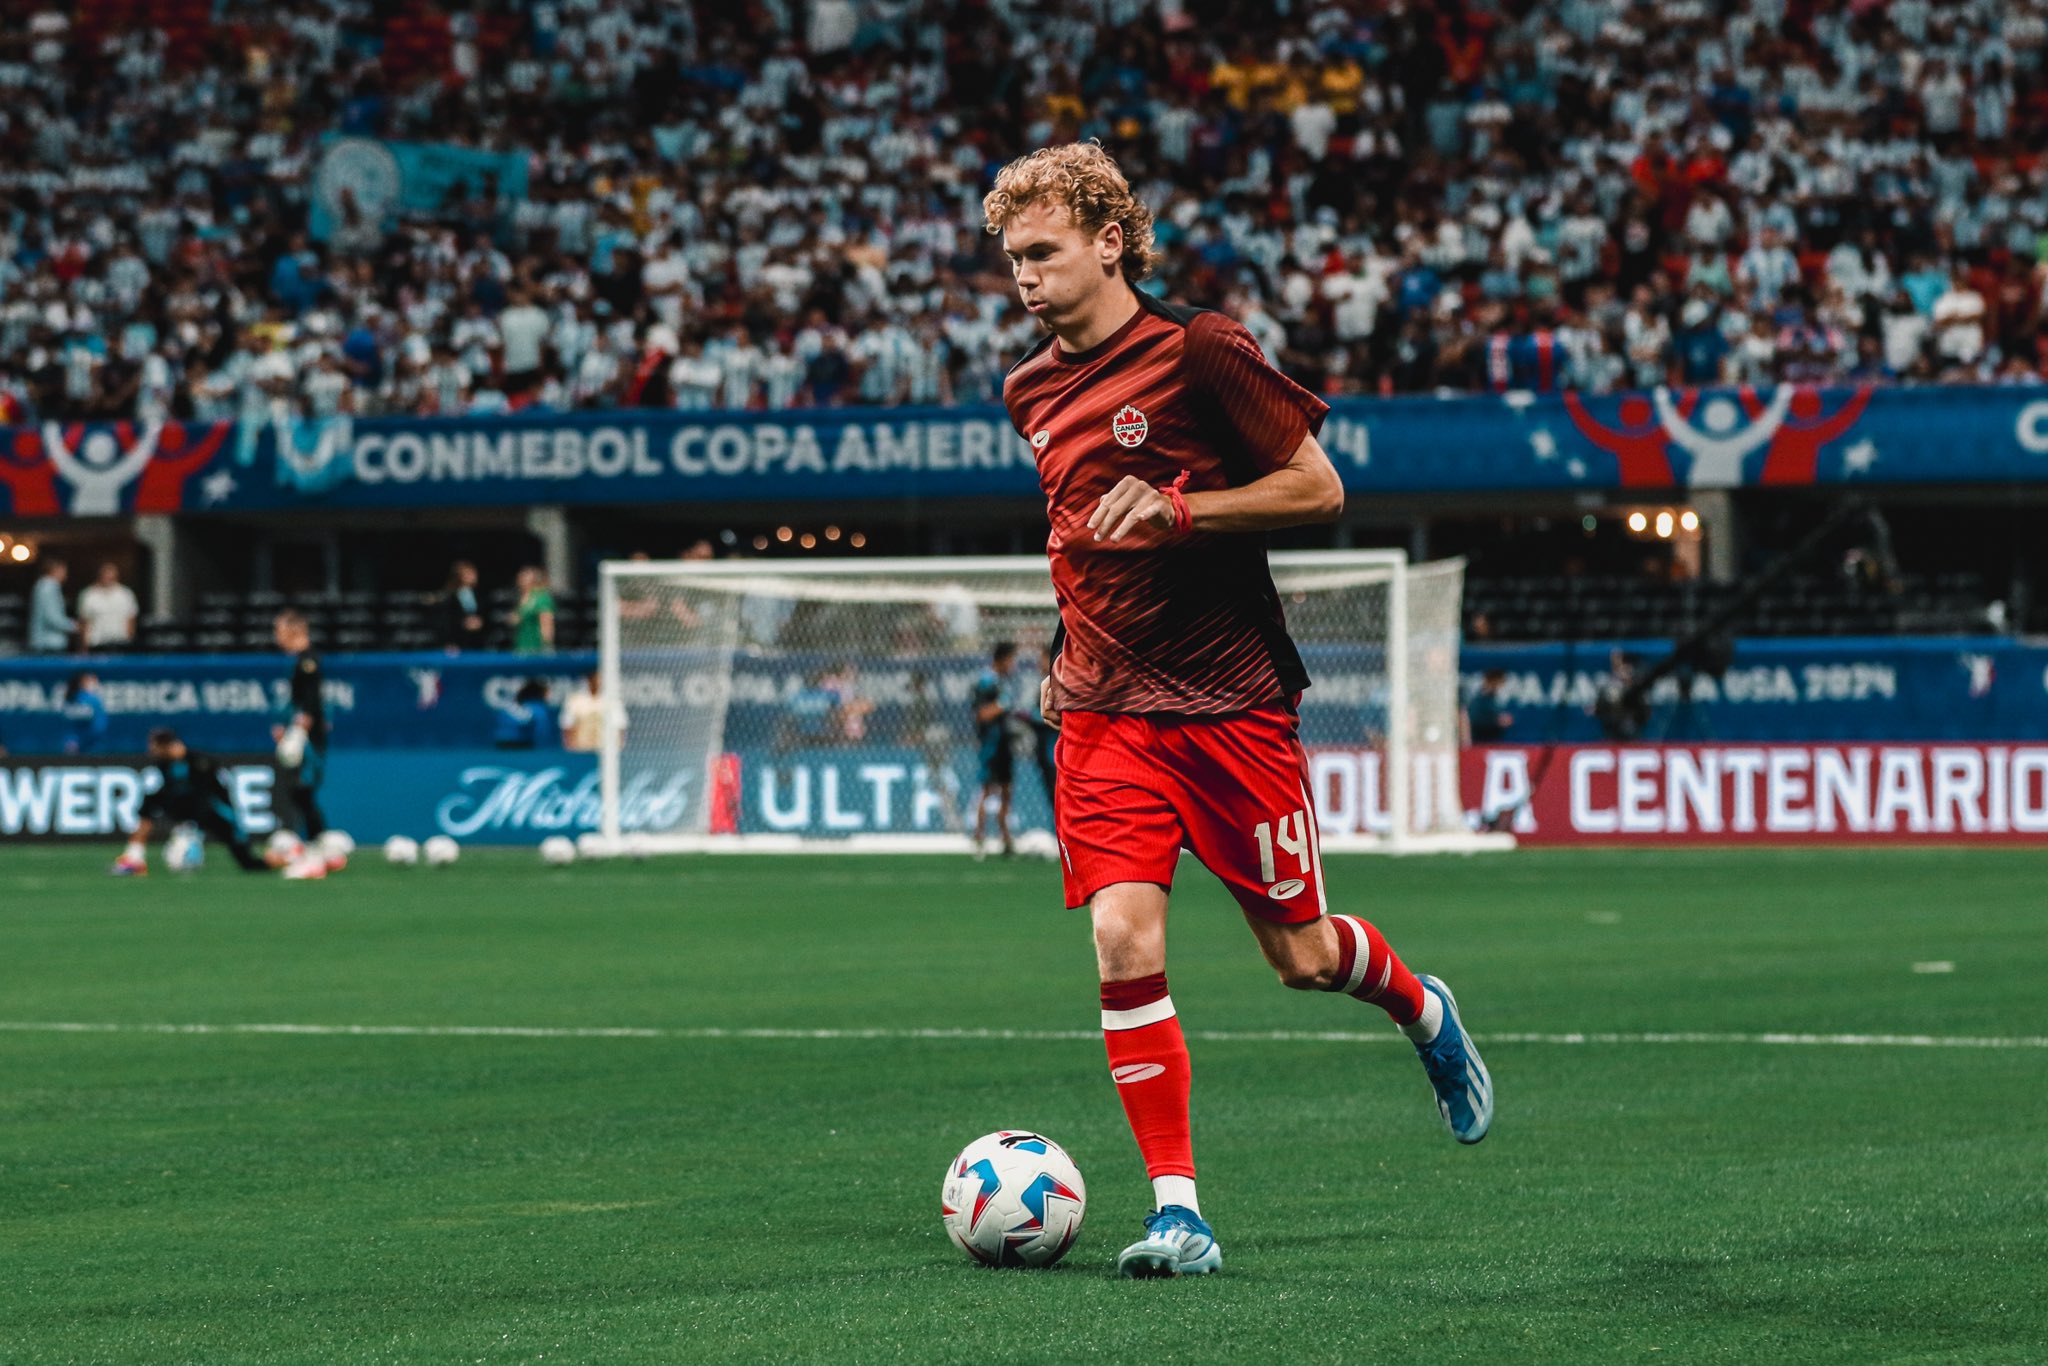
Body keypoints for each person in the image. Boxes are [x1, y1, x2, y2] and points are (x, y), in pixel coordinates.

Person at [986, 143, 1492, 1279]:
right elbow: (1076, 538)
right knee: (1121, 934)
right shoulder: (1026, 388)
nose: (1022, 278)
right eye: (1011, 259)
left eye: (1042, 252)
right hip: (1103, 712)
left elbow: (1317, 486)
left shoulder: (1198, 349)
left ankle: (1421, 1007)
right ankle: (1178, 1212)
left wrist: (1180, 510)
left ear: (1108, 241)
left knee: (1303, 957)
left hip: (1227, 705)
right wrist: (1064, 652)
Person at [112, 728, 274, 875]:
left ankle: (284, 859)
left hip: (211, 812)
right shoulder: (164, 763)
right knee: (147, 807)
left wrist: (195, 828)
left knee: (247, 862)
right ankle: (134, 858)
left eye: (154, 746)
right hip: (183, 807)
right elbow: (167, 789)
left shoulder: (200, 762)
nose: (151, 751)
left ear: (167, 745)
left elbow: (213, 794)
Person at [272, 610, 329, 839]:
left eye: (278, 631)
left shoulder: (308, 659)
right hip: (299, 729)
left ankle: (319, 839)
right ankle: (313, 839)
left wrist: (301, 725)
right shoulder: (300, 660)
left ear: (293, 631)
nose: (276, 637)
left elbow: (311, 696)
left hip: (307, 735)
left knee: (303, 788)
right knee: (298, 790)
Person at [971, 641, 1022, 859]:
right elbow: (981, 714)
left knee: (1007, 790)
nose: (1014, 665)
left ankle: (1005, 838)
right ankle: (980, 838)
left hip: (1004, 744)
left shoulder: (1004, 682)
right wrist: (1001, 706)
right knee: (987, 790)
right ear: (1001, 659)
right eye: (1011, 660)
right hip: (991, 745)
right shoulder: (985, 683)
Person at [77, 562, 139, 652]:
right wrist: (83, 647)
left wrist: (129, 640)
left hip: (120, 642)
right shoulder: (88, 595)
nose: (108, 579)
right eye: (106, 576)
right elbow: (84, 622)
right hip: (96, 643)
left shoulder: (126, 594)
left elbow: (131, 619)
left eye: (111, 577)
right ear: (100, 576)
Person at [492, 678, 559, 749]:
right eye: (546, 692)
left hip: (502, 745)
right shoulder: (538, 709)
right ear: (540, 693)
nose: (548, 695)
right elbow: (542, 733)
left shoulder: (508, 707)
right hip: (523, 746)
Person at [28, 560, 75, 653]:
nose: (66, 575)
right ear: (56, 570)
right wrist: (74, 626)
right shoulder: (49, 587)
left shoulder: (42, 586)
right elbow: (51, 618)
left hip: (44, 642)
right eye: (64, 571)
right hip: (49, 644)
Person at [440, 561, 487, 653]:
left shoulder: (480, 595)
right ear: (459, 576)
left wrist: (480, 622)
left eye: (474, 573)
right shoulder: (451, 597)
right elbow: (446, 621)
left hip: (478, 644)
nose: (474, 576)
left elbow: (485, 615)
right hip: (457, 644)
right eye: (469, 573)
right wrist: (463, 623)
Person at [510, 566, 556, 654]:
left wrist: (547, 646)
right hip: (521, 644)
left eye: (525, 576)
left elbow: (547, 623)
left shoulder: (542, 598)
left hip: (537, 646)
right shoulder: (522, 597)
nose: (521, 579)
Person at [559, 671, 607, 752]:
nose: (597, 681)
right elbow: (567, 727)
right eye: (594, 678)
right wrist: (571, 749)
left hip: (604, 751)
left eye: (599, 678)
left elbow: (620, 727)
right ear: (588, 679)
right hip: (581, 751)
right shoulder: (575, 699)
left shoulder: (611, 700)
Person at [61, 672, 108, 754]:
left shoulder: (94, 699)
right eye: (89, 680)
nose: (94, 683)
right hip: (80, 744)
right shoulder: (78, 698)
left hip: (95, 744)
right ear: (81, 683)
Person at [1466, 669, 1514, 743]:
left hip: (1494, 742)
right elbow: (1474, 721)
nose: (1500, 687)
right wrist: (1496, 721)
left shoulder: (1494, 700)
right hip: (1479, 743)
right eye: (1499, 683)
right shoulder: (1478, 700)